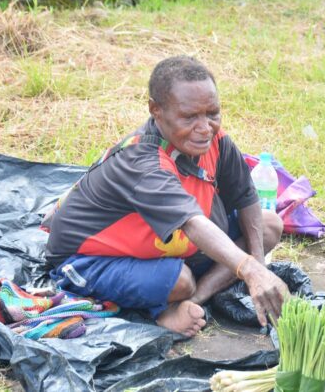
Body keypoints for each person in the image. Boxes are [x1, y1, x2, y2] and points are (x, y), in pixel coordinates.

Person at [43, 56, 289, 337]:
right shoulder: (144, 163)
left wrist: (257, 264)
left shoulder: (215, 143)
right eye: (189, 117)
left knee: (269, 226)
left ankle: (194, 300)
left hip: (165, 245)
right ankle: (163, 310)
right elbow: (193, 223)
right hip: (90, 259)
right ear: (155, 110)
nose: (205, 127)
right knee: (179, 280)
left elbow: (246, 197)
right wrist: (251, 270)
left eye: (212, 113)